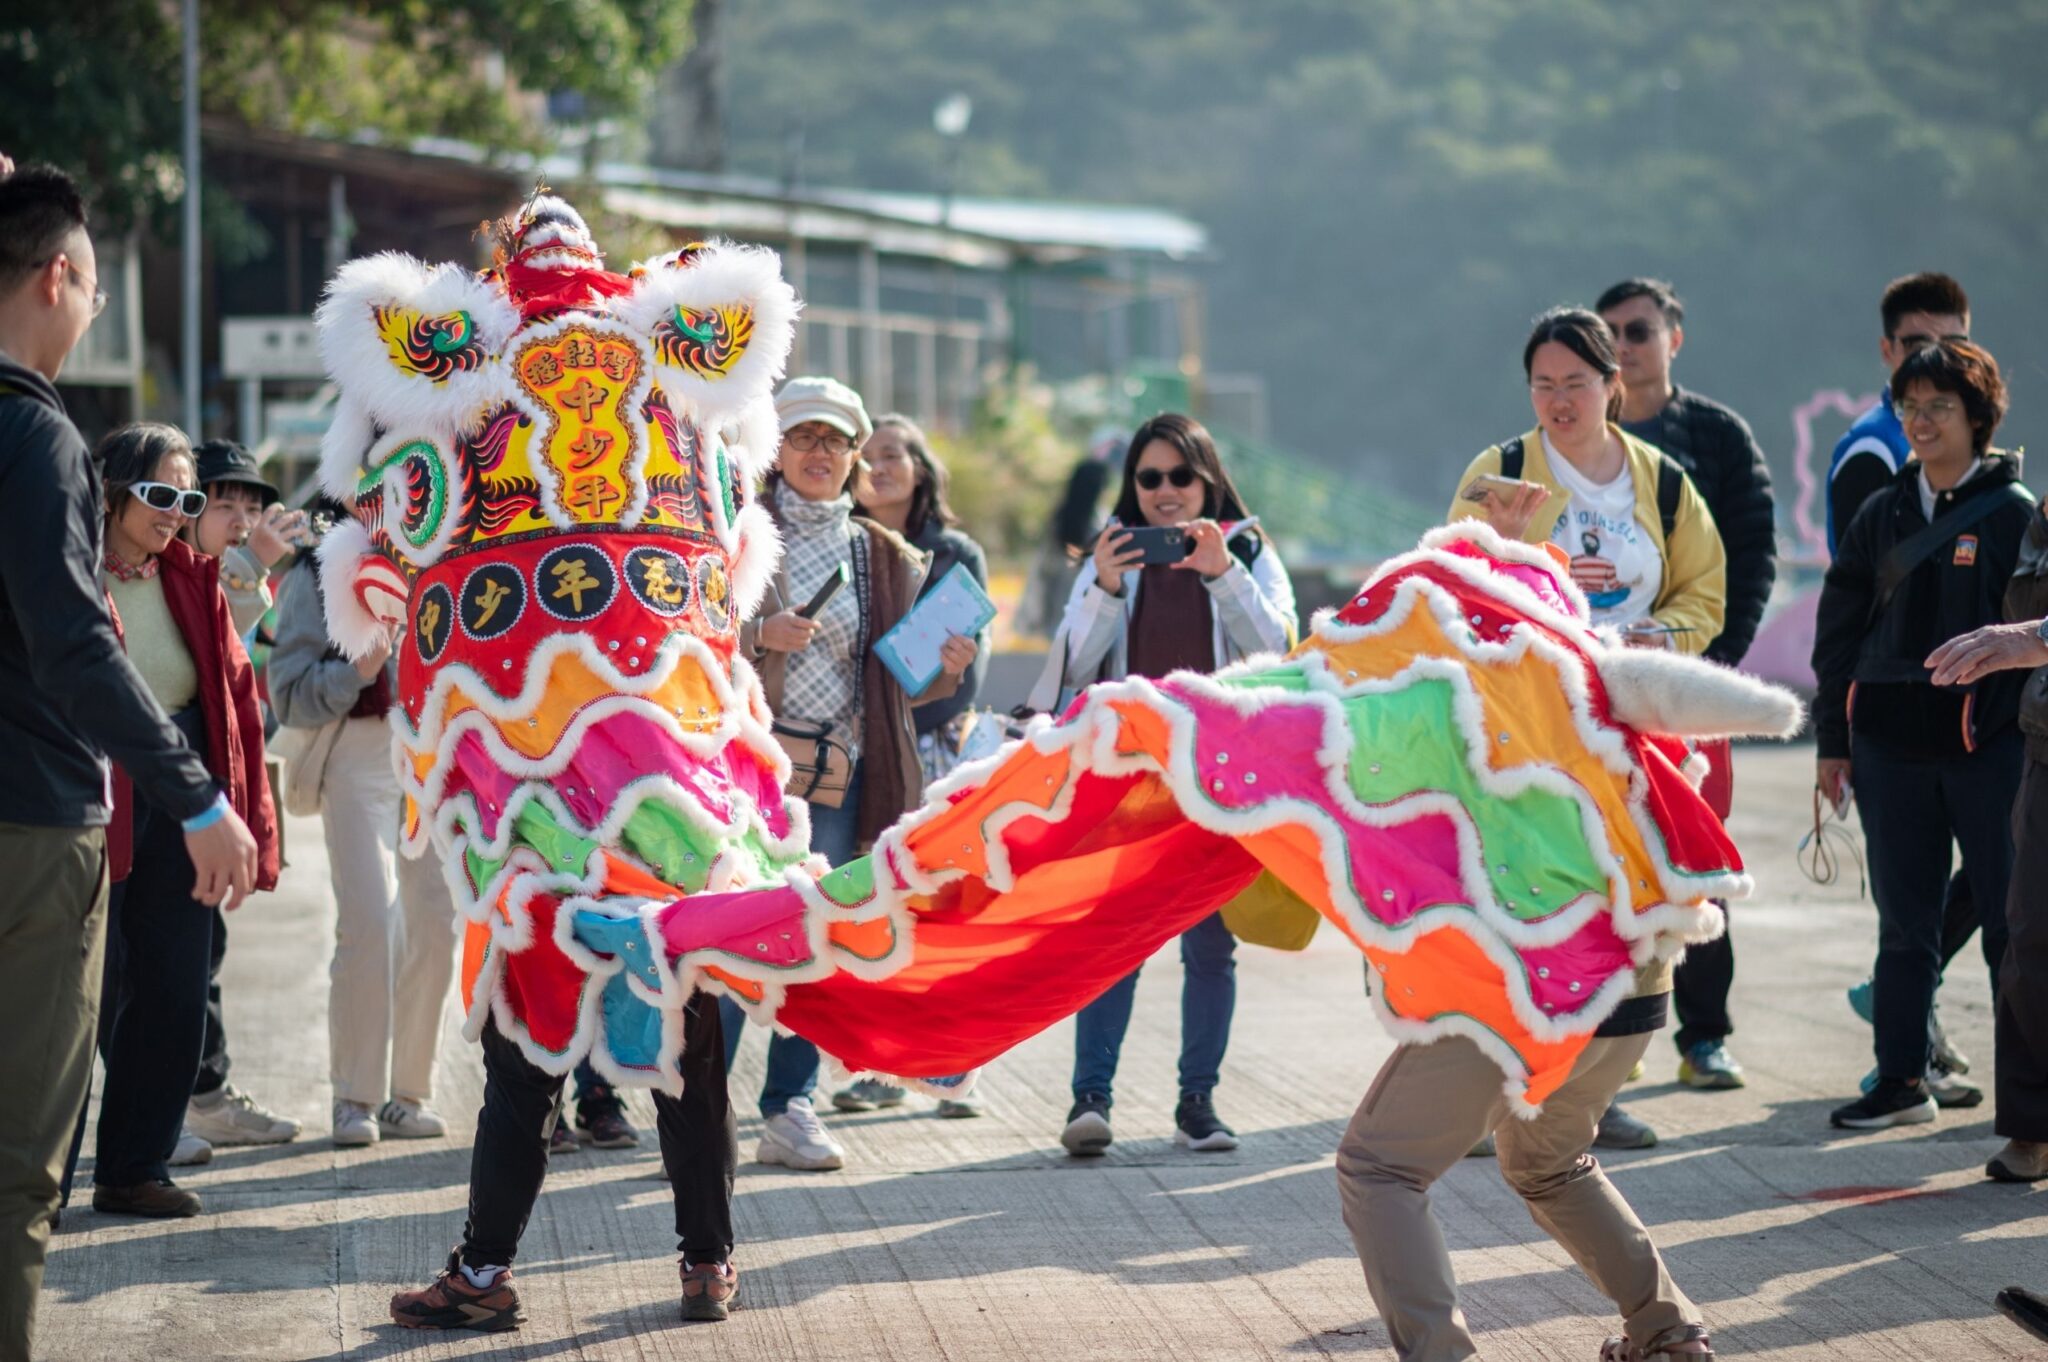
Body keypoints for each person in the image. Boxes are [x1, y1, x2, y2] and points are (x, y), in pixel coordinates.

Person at [0, 157, 258, 1362]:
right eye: (96, 284)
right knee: (21, 1161)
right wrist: (196, 794)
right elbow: (72, 647)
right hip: (38, 823)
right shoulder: (38, 437)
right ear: (58, 277)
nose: (93, 306)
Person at [1450, 306, 1727, 1154]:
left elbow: (1704, 595)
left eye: (1577, 382)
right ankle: (1489, 1087)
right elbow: (1449, 585)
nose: (1560, 400)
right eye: (1544, 385)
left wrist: (1655, 640)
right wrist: (1509, 558)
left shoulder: (1665, 481)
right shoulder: (1496, 473)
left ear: (1615, 383)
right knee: (1519, 900)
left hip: (1630, 729)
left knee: (1619, 905)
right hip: (1525, 726)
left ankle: (1596, 1091)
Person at [725, 378, 978, 1170]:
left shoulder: (884, 553)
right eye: (803, 437)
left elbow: (901, 679)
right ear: (776, 446)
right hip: (748, 767)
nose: (819, 454)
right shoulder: (735, 532)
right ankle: (698, 1100)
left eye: (835, 441)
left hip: (839, 774)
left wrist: (945, 667)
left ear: (854, 455)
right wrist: (759, 632)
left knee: (817, 935)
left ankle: (789, 1106)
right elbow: (689, 626)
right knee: (733, 929)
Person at [1038, 412, 1297, 1157]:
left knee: (1210, 948)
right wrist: (1108, 584)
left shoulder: (1243, 545)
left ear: (1208, 479)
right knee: (1112, 943)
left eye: (1181, 476)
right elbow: (1073, 665)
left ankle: (1197, 1104)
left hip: (1222, 776)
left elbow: (1279, 645)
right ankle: (1091, 1100)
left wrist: (1222, 573)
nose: (1164, 493)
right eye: (1148, 478)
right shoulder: (1110, 553)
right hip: (1132, 777)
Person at [61, 424, 281, 1223]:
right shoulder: (66, 574)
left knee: (177, 988)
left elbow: (234, 701)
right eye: (160, 495)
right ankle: (39, 1181)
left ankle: (133, 1166)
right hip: (88, 789)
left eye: (187, 499)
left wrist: (249, 824)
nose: (175, 514)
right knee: (76, 998)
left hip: (183, 789)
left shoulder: (195, 576)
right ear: (112, 490)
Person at [1812, 339, 2034, 1131]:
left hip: (1992, 751)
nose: (1921, 421)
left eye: (1940, 405)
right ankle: (1901, 1081)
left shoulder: (2016, 514)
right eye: (1910, 406)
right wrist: (1831, 741)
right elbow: (1838, 633)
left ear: (1978, 416)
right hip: (1888, 750)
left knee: (2013, 931)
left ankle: (2026, 1105)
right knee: (1903, 926)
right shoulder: (1884, 512)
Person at [1598, 278, 1776, 1095]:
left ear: (1676, 337)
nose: (1624, 346)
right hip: (1594, 695)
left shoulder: (1716, 437)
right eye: (1609, 335)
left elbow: (1751, 561)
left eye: (1638, 330)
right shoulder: (1574, 442)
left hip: (1689, 688)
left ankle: (1705, 1036)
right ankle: (1603, 1047)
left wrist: (1711, 673)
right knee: (1600, 866)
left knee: (1698, 860)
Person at [1828, 272, 1980, 1092]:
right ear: (1887, 353)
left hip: (1965, 714)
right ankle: (1908, 1045)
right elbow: (1858, 599)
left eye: (1953, 343)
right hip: (1900, 712)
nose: (1936, 361)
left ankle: (1912, 1019)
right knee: (1916, 900)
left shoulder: (1971, 455)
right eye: (1919, 347)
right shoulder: (1879, 453)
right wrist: (1837, 731)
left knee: (1998, 873)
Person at [267, 500, 457, 1148]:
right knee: (369, 923)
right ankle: (355, 1097)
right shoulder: (315, 567)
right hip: (356, 753)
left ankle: (408, 1093)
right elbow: (288, 690)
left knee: (435, 918)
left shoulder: (451, 544)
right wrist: (361, 670)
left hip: (433, 755)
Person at [832, 413, 994, 1120]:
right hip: (854, 753)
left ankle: (957, 1062)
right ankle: (883, 1063)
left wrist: (923, 711)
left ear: (922, 469)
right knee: (873, 906)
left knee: (937, 908)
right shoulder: (843, 547)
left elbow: (967, 667)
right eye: (865, 456)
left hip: (925, 751)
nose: (880, 467)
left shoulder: (951, 551)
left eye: (894, 454)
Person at [178, 438, 304, 1151]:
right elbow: (211, 642)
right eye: (223, 502)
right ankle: (190, 1098)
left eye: (251, 505)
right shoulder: (181, 575)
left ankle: (201, 1091)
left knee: (205, 950)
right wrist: (253, 563)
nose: (238, 518)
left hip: (215, 785)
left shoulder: (221, 572)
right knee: (175, 957)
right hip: (175, 791)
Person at [1924, 492, 2048, 1181]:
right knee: (2028, 940)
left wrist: (2041, 636)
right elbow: (2021, 605)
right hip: (2045, 744)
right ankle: (2033, 1129)